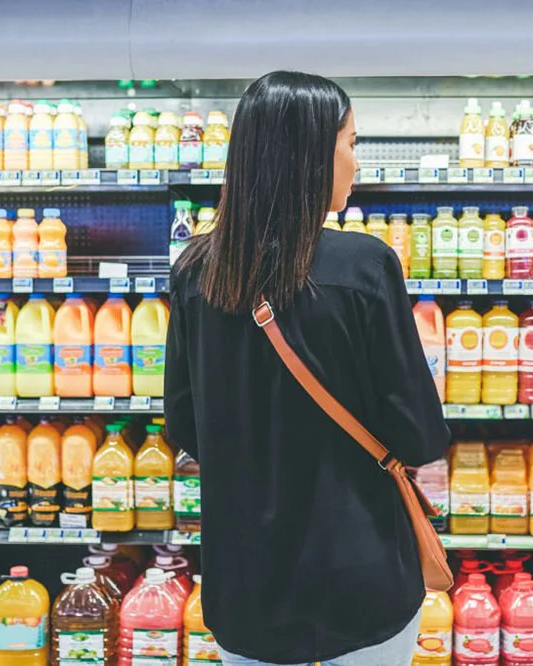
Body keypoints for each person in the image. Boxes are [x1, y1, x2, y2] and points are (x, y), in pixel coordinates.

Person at [165, 71, 449, 665]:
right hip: (361, 575)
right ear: (312, 156)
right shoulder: (365, 266)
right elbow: (419, 435)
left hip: (246, 584)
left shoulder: (195, 271)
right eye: (351, 143)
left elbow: (184, 430)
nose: (356, 162)